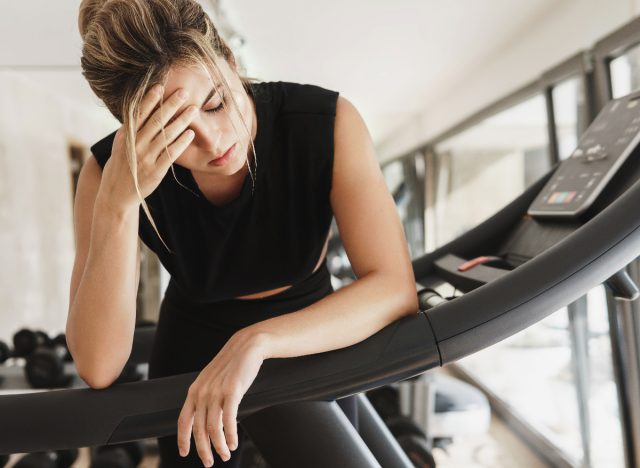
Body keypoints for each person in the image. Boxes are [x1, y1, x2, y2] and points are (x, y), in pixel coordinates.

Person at [66, 0, 418, 466]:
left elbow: (395, 288)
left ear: (230, 61)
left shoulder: (326, 124)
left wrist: (257, 340)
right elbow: (98, 366)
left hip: (310, 335)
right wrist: (117, 203)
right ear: (131, 132)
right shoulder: (109, 174)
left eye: (216, 102)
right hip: (191, 351)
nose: (213, 141)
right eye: (176, 134)